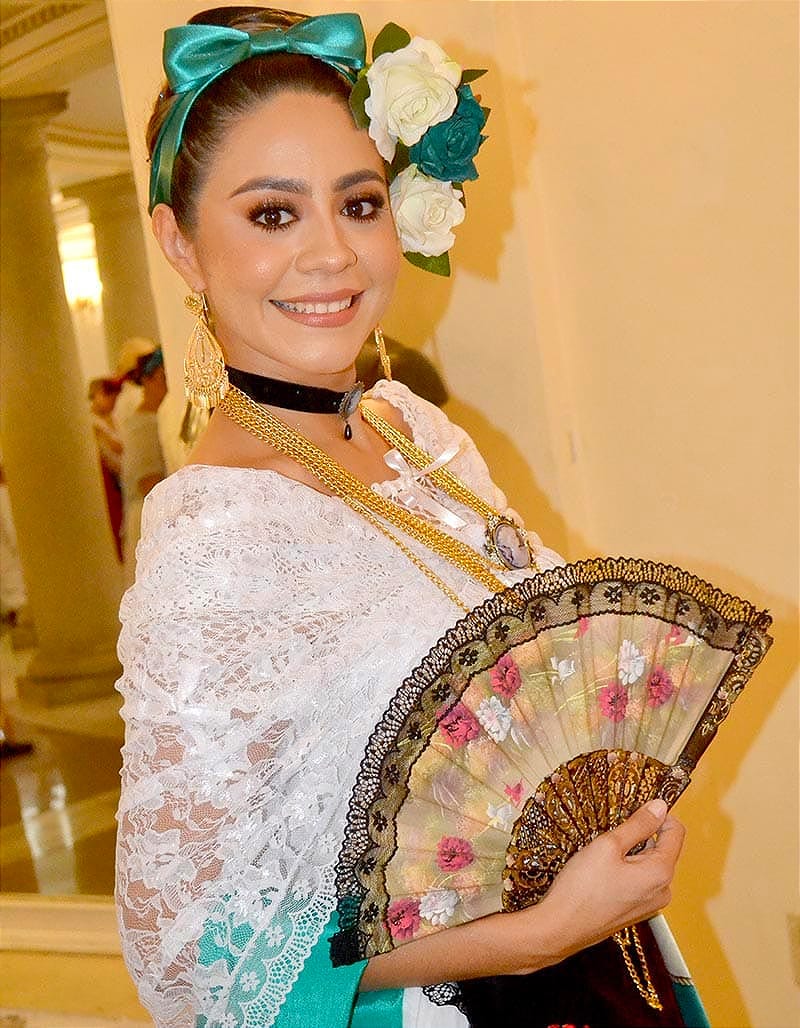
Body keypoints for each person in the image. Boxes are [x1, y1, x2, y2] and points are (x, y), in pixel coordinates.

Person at [115, 8, 707, 1028]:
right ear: (180, 242)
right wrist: (533, 935)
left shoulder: (413, 428)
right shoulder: (215, 537)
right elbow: (192, 957)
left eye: (357, 203)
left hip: (601, 964)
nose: (331, 255)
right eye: (271, 215)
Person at [119, 348, 167, 586]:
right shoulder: (143, 424)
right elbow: (148, 481)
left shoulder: (157, 417)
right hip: (150, 518)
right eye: (163, 377)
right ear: (149, 380)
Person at [88, 377, 124, 560]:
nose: (112, 401)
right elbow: (114, 449)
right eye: (108, 396)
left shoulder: (114, 418)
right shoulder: (92, 423)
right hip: (110, 479)